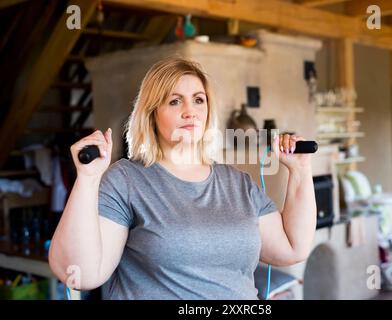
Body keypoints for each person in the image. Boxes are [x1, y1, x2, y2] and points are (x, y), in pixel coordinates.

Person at [48, 57, 317, 300]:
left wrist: (300, 171)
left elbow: (293, 248)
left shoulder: (238, 183)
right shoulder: (126, 180)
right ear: (152, 113)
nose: (191, 111)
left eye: (199, 100)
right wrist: (87, 179)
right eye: (175, 101)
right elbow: (80, 275)